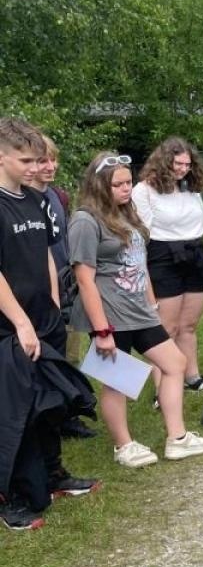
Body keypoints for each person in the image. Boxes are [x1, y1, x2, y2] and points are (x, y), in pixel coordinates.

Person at [69, 153, 203, 467]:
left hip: (139, 309)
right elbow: (84, 279)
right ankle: (124, 446)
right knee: (117, 379)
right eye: (118, 184)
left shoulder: (127, 213)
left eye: (128, 182)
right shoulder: (85, 219)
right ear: (99, 186)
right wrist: (102, 330)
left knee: (175, 363)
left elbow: (140, 262)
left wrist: (151, 302)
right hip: (110, 313)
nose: (126, 189)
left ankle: (177, 438)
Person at [0, 118, 99, 531]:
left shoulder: (34, 200)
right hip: (9, 329)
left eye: (37, 159)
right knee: (16, 413)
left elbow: (42, 251)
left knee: (51, 404)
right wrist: (22, 323)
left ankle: (54, 475)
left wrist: (53, 303)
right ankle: (12, 498)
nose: (33, 167)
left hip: (43, 321)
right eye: (25, 160)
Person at [132, 137, 203, 394]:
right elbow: (142, 232)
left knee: (189, 325)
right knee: (167, 328)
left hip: (194, 255)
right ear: (163, 162)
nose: (183, 169)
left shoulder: (189, 188)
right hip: (162, 258)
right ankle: (164, 389)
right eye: (178, 163)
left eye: (187, 164)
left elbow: (201, 223)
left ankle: (192, 378)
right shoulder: (143, 190)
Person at [33, 134, 97, 438]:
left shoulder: (57, 197)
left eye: (52, 159)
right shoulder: (18, 200)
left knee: (68, 352)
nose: (49, 166)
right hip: (34, 291)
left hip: (65, 284)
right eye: (42, 160)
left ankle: (68, 416)